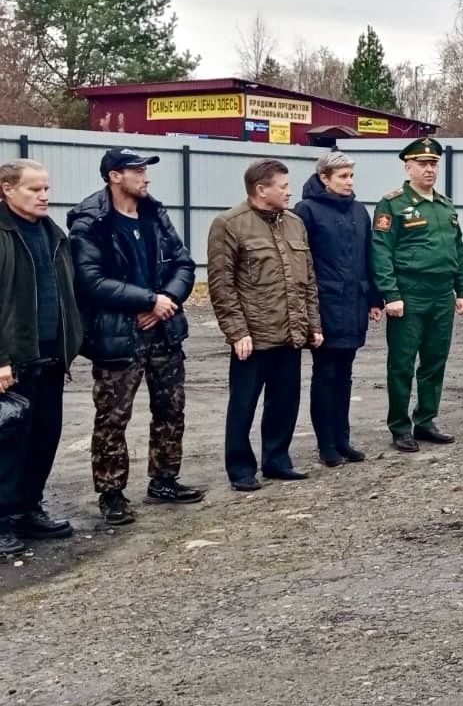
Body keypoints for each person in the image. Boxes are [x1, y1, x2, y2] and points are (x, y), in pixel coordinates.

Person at [68, 147, 203, 527]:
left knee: (171, 408)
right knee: (113, 417)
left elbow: (184, 263)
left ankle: (164, 480)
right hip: (117, 335)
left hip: (164, 328)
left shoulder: (154, 214)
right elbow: (90, 280)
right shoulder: (91, 221)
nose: (146, 177)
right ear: (115, 176)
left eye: (145, 170)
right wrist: (147, 300)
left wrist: (165, 301)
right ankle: (111, 494)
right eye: (137, 170)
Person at [206, 159, 322, 492]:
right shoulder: (229, 224)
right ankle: (240, 468)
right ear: (261, 189)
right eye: (283, 186)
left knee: (284, 402)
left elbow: (307, 280)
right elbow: (222, 284)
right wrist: (237, 331)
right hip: (253, 336)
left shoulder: (294, 223)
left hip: (290, 331)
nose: (289, 192)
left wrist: (312, 324)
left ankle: (277, 460)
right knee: (243, 404)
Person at [0, 160, 82, 554]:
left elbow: (66, 293)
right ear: (7, 189)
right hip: (12, 363)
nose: (44, 196)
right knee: (7, 444)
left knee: (44, 437)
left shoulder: (53, 234)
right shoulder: (3, 234)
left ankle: (26, 509)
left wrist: (71, 345)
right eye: (34, 189)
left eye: (46, 188)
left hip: (49, 358)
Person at [371, 137, 463, 453]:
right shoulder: (393, 204)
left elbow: (457, 249)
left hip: (441, 294)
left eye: (433, 164)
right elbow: (381, 251)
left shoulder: (445, 204)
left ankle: (426, 420)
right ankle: (400, 426)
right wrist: (391, 294)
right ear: (408, 166)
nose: (429, 169)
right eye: (422, 163)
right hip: (410, 294)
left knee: (435, 361)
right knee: (402, 364)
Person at [295, 151, 381, 468]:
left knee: (345, 375)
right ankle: (326, 444)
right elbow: (302, 261)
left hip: (354, 303)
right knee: (326, 374)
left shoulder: (359, 210)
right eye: (343, 177)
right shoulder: (306, 210)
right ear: (324, 178)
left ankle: (343, 439)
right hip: (326, 304)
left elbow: (368, 256)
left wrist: (374, 298)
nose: (349, 182)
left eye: (351, 176)